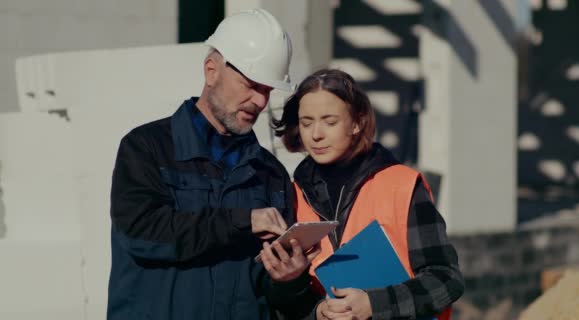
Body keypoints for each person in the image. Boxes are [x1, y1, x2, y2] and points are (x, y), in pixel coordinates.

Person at [107, 9, 318, 320]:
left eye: (267, 90)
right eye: (251, 84)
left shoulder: (270, 174)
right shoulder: (147, 148)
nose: (260, 102)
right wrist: (242, 221)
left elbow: (276, 299)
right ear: (211, 71)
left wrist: (291, 280)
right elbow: (142, 234)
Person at [264, 69, 465, 319]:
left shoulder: (402, 185)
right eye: (306, 122)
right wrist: (316, 310)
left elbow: (447, 279)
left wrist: (375, 304)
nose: (316, 134)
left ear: (357, 122)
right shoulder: (291, 196)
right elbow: (284, 302)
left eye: (330, 121)